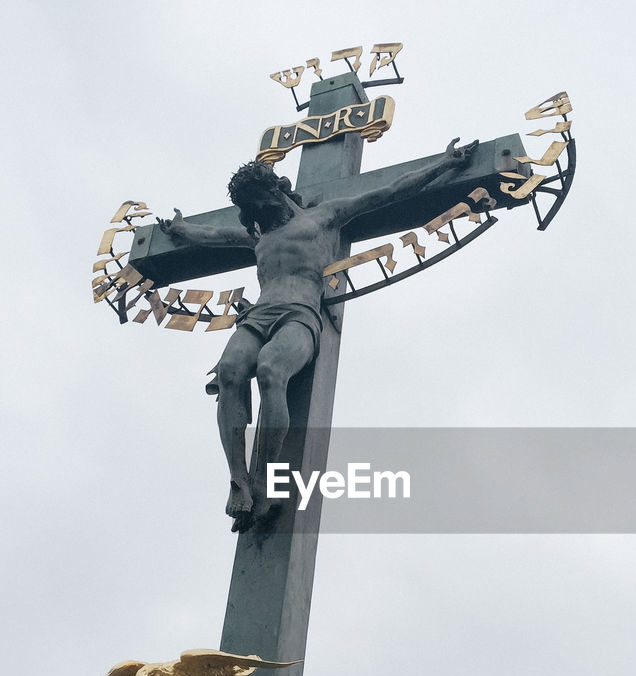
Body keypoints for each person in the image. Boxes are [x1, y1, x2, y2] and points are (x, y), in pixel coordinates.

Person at [160, 139, 476, 530]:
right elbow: (210, 236)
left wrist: (444, 164)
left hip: (301, 313)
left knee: (271, 371)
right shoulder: (259, 237)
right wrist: (180, 228)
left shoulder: (324, 217)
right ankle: (238, 479)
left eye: (262, 201)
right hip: (259, 314)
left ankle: (265, 477)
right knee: (228, 372)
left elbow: (392, 191)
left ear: (278, 190)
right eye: (253, 208)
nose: (259, 212)